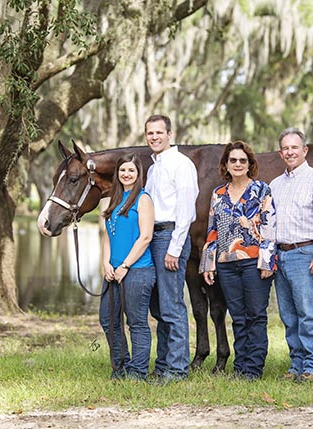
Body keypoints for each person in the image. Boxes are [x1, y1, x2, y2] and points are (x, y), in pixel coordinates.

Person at [199, 141, 276, 380]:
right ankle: (241, 366)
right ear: (226, 165)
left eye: (243, 160)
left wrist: (267, 262)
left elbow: (269, 227)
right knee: (238, 316)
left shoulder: (262, 190)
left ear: (250, 164)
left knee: (255, 314)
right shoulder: (218, 194)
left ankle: (253, 369)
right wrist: (208, 263)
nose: (238, 164)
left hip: (254, 262)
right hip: (226, 263)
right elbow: (213, 230)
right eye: (233, 160)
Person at [269, 128, 313, 383]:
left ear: (304, 150)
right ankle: (297, 365)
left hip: (307, 253)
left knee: (309, 313)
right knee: (289, 316)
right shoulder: (275, 185)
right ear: (280, 153)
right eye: (285, 148)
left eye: (294, 147)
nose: (290, 152)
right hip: (282, 254)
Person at [144, 114, 199, 382]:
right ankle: (164, 364)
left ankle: (178, 369)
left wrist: (174, 249)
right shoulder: (153, 168)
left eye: (159, 132)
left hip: (169, 237)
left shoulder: (181, 164)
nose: (154, 137)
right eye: (150, 133)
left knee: (172, 306)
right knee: (157, 307)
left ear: (170, 134)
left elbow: (186, 210)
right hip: (151, 238)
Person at [100, 153, 156, 381]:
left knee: (136, 323)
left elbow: (145, 237)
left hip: (137, 271)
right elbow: (108, 235)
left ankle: (138, 371)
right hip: (113, 272)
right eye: (123, 170)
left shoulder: (143, 199)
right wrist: (106, 262)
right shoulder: (114, 200)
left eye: (131, 170)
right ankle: (120, 366)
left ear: (138, 173)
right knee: (108, 319)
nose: (126, 174)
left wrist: (125, 265)